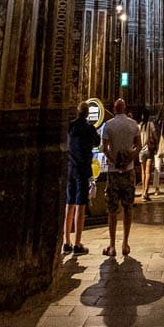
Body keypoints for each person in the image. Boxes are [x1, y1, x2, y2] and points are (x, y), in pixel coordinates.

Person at [100, 98, 140, 258]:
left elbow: (105, 147)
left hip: (113, 172)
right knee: (128, 207)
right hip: (129, 171)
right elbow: (138, 144)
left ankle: (112, 245)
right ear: (125, 108)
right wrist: (130, 158)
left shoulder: (108, 125)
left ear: (114, 109)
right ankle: (125, 243)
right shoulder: (133, 124)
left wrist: (115, 160)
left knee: (112, 209)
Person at [63, 101, 99, 255]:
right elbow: (97, 142)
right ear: (87, 114)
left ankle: (66, 241)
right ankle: (77, 243)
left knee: (69, 203)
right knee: (80, 204)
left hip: (70, 168)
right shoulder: (89, 128)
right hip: (83, 169)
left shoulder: (69, 127)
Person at [138, 107, 159, 200]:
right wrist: (157, 144)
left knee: (142, 172)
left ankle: (143, 191)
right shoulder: (150, 124)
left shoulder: (139, 126)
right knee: (148, 172)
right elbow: (155, 136)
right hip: (149, 150)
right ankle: (145, 192)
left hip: (141, 151)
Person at [152, 118, 164, 196]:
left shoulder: (155, 124)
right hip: (163, 147)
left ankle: (156, 188)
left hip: (157, 148)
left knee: (157, 168)